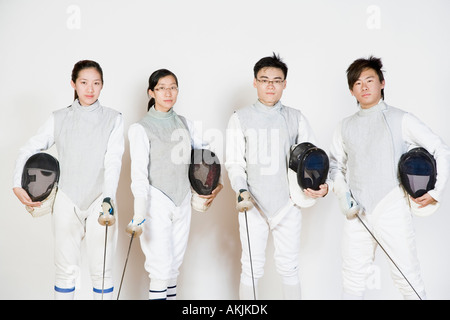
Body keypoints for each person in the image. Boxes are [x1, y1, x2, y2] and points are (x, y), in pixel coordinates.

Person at [329, 56, 450, 300]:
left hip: (392, 207)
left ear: (382, 83)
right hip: (357, 214)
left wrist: (435, 192)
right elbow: (334, 164)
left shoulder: (400, 118)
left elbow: (440, 149)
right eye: (358, 83)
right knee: (352, 283)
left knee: (408, 280)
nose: (364, 87)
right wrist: (342, 194)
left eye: (369, 80)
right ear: (351, 90)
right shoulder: (344, 126)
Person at [12, 60, 124, 299]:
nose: (90, 89)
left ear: (102, 85)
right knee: (65, 272)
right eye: (84, 83)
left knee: (102, 272)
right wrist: (16, 183)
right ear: (73, 83)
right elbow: (29, 148)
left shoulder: (114, 118)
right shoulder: (59, 117)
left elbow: (113, 161)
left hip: (100, 201)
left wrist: (108, 198)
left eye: (96, 83)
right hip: (67, 200)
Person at [225, 53, 328, 300]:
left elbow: (315, 159)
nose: (270, 85)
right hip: (252, 204)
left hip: (288, 203)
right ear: (255, 83)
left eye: (276, 80)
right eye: (264, 79)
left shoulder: (296, 117)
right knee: (251, 268)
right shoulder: (240, 118)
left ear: (284, 84)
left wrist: (322, 186)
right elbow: (235, 163)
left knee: (289, 267)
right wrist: (241, 190)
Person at [126, 69, 222, 300]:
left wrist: (216, 185)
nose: (168, 93)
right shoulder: (140, 128)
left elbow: (207, 155)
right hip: (154, 201)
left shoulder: (186, 124)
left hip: (182, 201)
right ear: (151, 92)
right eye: (161, 88)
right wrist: (139, 213)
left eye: (172, 87)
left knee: (172, 269)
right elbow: (138, 174)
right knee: (159, 269)